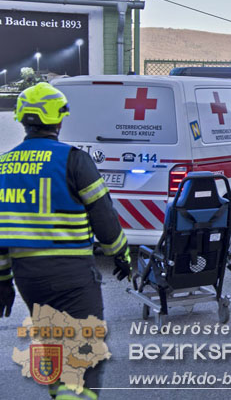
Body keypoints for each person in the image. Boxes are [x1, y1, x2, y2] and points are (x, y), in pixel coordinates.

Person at [0, 82, 131, 400]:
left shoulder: (3, 165)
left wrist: (4, 280)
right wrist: (121, 255)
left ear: (22, 119)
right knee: (85, 352)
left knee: (53, 343)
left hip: (28, 279)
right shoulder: (74, 160)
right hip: (72, 276)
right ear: (58, 120)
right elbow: (104, 219)